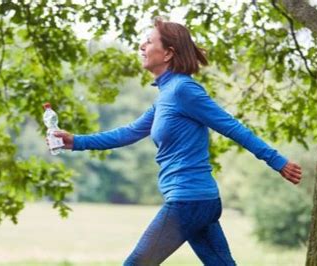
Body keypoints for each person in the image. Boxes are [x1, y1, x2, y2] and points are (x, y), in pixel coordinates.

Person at [46, 17, 302, 266]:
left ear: (168, 53)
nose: (141, 46)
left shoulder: (184, 90)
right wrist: (75, 141)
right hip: (199, 201)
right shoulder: (165, 96)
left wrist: (277, 161)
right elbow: (129, 132)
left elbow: (232, 127)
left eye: (148, 41)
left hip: (188, 200)